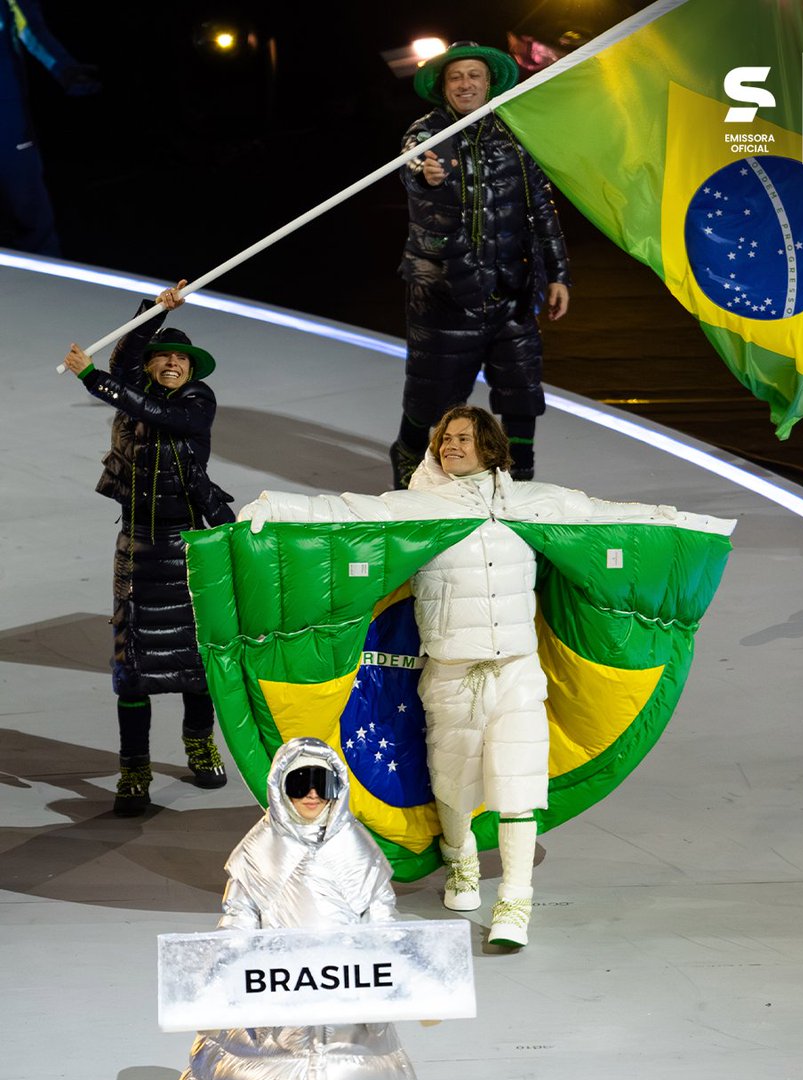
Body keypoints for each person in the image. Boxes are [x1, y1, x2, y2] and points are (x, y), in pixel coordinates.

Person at [239, 406, 733, 948]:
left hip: (517, 671)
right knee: (454, 784)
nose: (450, 445)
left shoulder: (531, 503)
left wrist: (683, 525)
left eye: (463, 438)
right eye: (444, 438)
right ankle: (462, 862)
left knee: (519, 785)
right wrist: (273, 507)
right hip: (450, 672)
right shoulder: (420, 508)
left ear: (490, 447)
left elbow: (606, 519)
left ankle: (516, 900)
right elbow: (346, 513)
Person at [107, 737, 539, 1080]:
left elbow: (382, 923)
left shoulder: (358, 850)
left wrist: (413, 983)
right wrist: (228, 982)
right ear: (280, 789)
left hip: (348, 1009)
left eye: (323, 783)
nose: (312, 795)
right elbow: (236, 924)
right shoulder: (258, 853)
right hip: (272, 1011)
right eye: (300, 783)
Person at [63, 281, 234, 817]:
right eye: (162, 356)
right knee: (132, 668)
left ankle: (199, 744)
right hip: (136, 549)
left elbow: (152, 408)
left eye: (180, 359)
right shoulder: (135, 390)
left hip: (189, 547)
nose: (171, 363)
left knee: (196, 665)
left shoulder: (197, 403)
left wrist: (93, 380)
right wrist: (155, 311)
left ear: (192, 371)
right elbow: (125, 356)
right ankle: (134, 768)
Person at [389, 40, 570, 490]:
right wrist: (425, 175)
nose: (465, 84)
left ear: (489, 83)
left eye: (474, 76)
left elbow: (541, 207)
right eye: (456, 76)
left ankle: (519, 479)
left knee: (521, 391)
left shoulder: (514, 132)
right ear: (444, 86)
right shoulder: (426, 133)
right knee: (430, 395)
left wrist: (558, 274)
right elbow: (415, 165)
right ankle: (408, 459)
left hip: (512, 288)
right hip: (445, 292)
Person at [1, 0, 99, 254]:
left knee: (28, 208)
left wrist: (63, 67)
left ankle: (41, 272)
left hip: (7, 113)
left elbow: (29, 26)